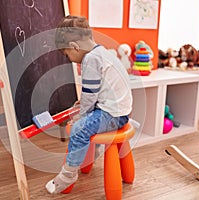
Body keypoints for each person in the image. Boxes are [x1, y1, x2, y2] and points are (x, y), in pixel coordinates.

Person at [46, 15, 133, 194]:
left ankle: (68, 175)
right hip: (120, 111)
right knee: (81, 114)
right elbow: (95, 92)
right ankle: (82, 160)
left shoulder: (90, 59)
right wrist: (83, 105)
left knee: (79, 130)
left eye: (68, 55)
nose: (70, 59)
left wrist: (81, 115)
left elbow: (89, 94)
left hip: (113, 115)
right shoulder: (103, 52)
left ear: (74, 47)